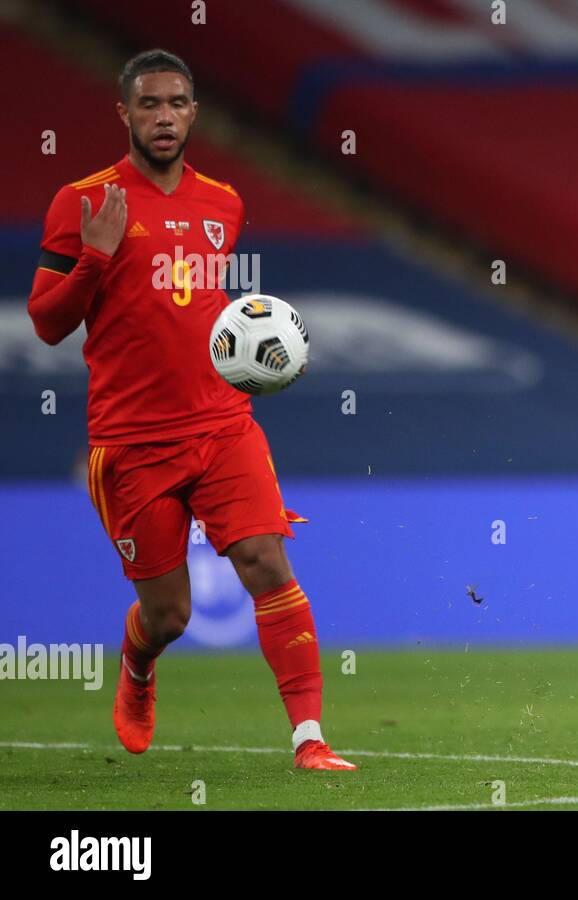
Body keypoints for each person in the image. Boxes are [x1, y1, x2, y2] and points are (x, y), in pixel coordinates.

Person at [28, 49, 354, 770]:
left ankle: (310, 740)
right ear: (125, 113)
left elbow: (200, 310)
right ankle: (138, 665)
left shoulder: (224, 205)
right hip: (132, 441)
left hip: (221, 423)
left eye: (177, 103)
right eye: (149, 104)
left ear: (194, 112)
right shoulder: (81, 202)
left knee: (266, 560)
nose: (164, 116)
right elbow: (47, 323)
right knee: (169, 613)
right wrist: (94, 258)